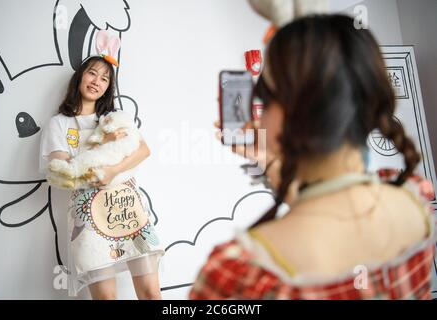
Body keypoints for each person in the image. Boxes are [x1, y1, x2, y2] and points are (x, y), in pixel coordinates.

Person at [189, 14, 436, 300]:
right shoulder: (416, 197)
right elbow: (325, 206)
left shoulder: (238, 272)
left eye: (264, 99)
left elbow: (318, 212)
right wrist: (268, 159)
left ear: (288, 114)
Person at [40, 55, 165, 300]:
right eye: (92, 73)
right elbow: (62, 172)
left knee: (151, 293)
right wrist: (104, 145)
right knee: (106, 298)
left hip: (127, 207)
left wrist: (112, 171)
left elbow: (143, 150)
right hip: (88, 216)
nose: (97, 81)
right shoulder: (59, 124)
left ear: (109, 87)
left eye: (105, 78)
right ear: (80, 77)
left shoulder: (113, 118)